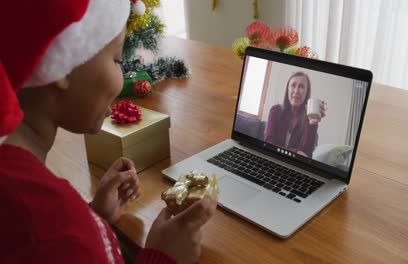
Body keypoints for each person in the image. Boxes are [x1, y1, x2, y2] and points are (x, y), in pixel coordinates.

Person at [0, 1, 217, 263]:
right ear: (64, 63)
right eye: (117, 59)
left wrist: (94, 217)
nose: (123, 76)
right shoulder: (58, 230)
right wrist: (162, 257)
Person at [264, 72, 326, 158]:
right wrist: (295, 151)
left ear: (306, 92)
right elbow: (269, 143)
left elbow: (306, 153)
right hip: (273, 158)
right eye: (293, 85)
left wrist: (312, 124)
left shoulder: (308, 118)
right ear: (288, 89)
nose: (296, 91)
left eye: (301, 87)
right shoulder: (275, 111)